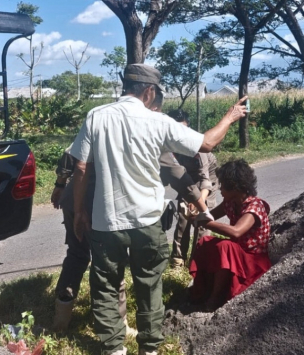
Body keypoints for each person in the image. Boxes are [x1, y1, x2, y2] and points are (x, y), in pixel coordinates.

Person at [70, 63, 247, 355]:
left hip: (106, 221)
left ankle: (114, 349)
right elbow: (208, 143)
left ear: (124, 86)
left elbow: (80, 166)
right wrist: (230, 116)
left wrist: (79, 211)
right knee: (149, 284)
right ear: (150, 92)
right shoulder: (158, 122)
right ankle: (149, 349)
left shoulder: (96, 116)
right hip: (147, 221)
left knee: (105, 285)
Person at [49, 90, 212, 333]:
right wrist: (203, 208)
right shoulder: (149, 128)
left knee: (77, 255)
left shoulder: (101, 118)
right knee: (111, 265)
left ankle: (61, 318)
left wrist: (60, 185)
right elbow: (180, 177)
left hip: (75, 201)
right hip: (100, 207)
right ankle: (118, 325)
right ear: (152, 105)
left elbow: (71, 155)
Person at [189, 158, 272, 312]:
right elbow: (210, 216)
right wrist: (195, 215)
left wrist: (204, 222)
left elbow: (236, 231)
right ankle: (202, 290)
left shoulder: (255, 206)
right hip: (238, 255)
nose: (220, 190)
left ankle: (215, 298)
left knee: (226, 247)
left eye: (222, 186)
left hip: (253, 261)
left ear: (234, 187)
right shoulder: (231, 203)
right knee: (206, 241)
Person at [166, 109, 219, 267]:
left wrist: (199, 201)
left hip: (206, 185)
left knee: (202, 222)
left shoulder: (197, 147)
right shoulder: (169, 146)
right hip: (187, 182)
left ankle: (197, 263)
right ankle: (177, 260)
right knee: (183, 219)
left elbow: (205, 180)